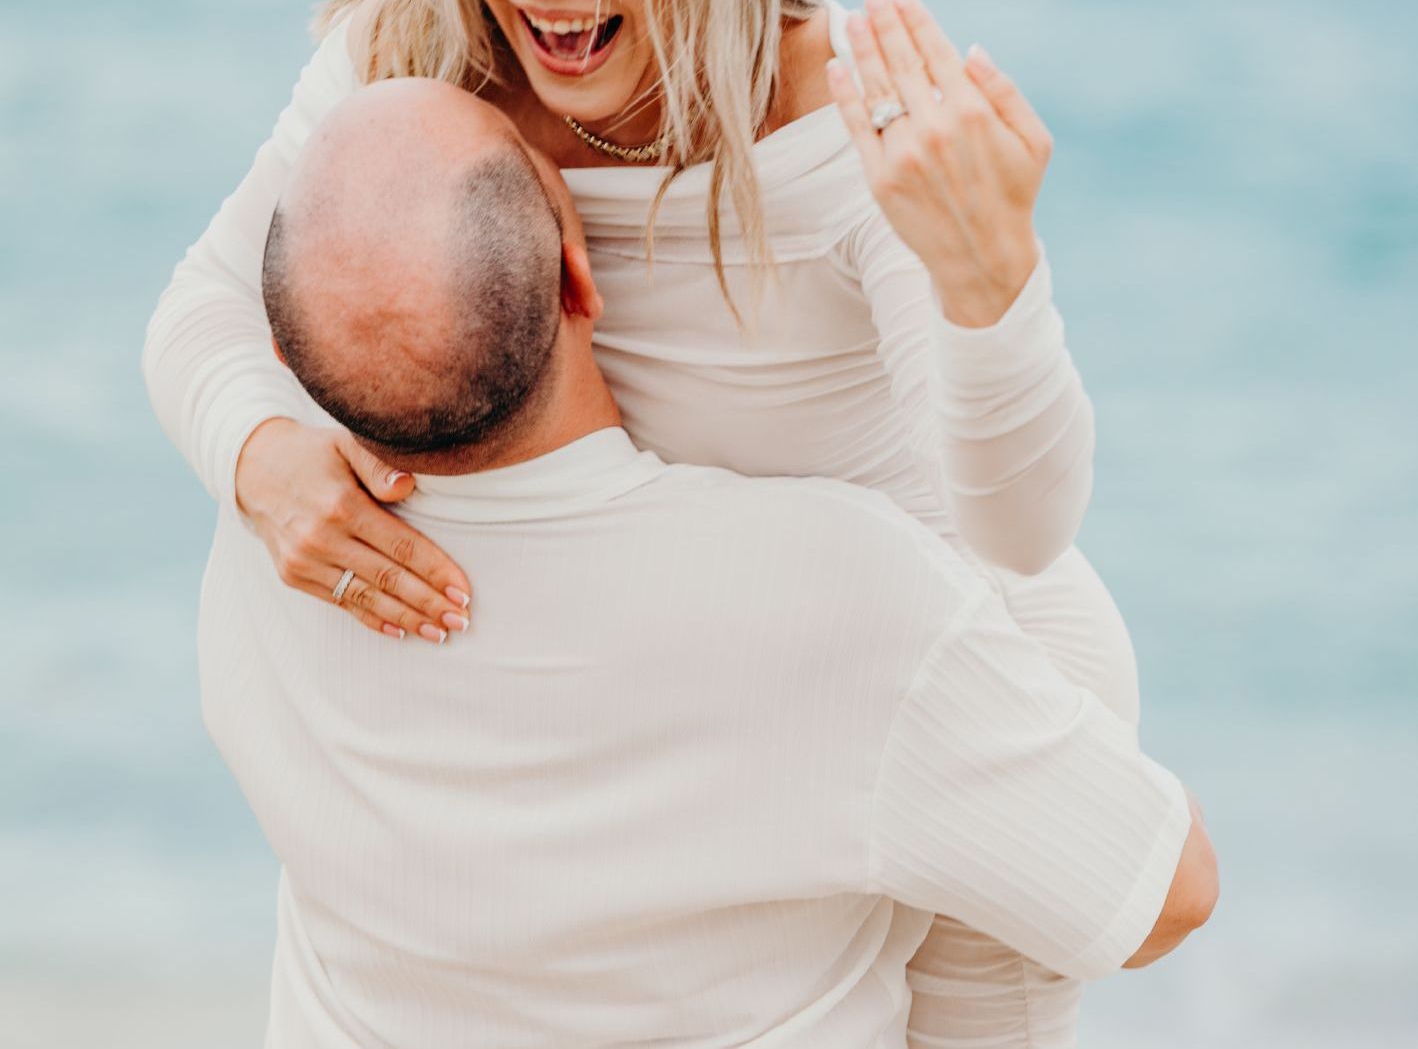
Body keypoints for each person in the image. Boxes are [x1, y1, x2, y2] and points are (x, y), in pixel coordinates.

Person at [145, 0, 1168, 1041]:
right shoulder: (419, 52)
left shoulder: (835, 118)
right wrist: (260, 458)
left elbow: (1020, 531)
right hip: (700, 717)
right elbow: (204, 303)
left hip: (929, 698)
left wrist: (994, 290)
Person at [200, 78, 1216, 1047]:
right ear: (577, 274)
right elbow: (1165, 896)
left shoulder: (272, 539)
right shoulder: (835, 594)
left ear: (287, 356)